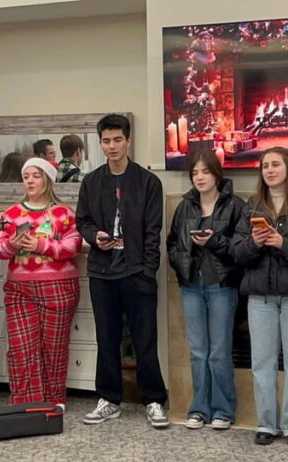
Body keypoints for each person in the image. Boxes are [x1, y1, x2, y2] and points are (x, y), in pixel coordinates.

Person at [75, 114, 169, 429]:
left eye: (117, 140)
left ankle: (154, 400)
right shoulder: (91, 181)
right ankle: (109, 399)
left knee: (145, 340)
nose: (112, 146)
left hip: (136, 272)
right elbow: (83, 221)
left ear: (128, 141)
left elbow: (154, 233)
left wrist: (147, 272)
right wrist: (93, 236)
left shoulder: (148, 182)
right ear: (100, 143)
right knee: (107, 339)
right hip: (102, 273)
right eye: (106, 141)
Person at [232, 147, 288, 448]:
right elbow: (236, 252)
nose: (269, 170)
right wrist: (254, 243)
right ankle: (266, 423)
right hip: (260, 296)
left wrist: (283, 242)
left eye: (275, 165)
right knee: (262, 362)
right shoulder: (251, 207)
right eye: (265, 166)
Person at [0, 158, 82, 407]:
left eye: (36, 176)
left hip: (59, 289)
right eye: (26, 176)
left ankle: (54, 401)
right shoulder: (9, 215)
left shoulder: (64, 213)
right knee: (22, 349)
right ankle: (25, 404)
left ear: (48, 179)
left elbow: (73, 245)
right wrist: (13, 244)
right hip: (19, 290)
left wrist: (41, 244)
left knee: (54, 348)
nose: (30, 180)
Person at [167, 150, 245, 431]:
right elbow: (173, 242)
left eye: (205, 172)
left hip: (222, 286)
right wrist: (181, 264)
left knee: (219, 351)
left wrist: (214, 242)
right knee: (198, 351)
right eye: (195, 173)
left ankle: (224, 410)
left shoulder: (235, 206)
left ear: (217, 174)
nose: (199, 177)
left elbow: (242, 249)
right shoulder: (185, 206)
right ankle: (199, 408)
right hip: (191, 286)